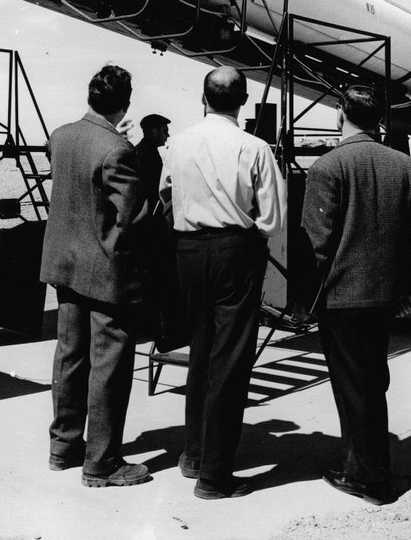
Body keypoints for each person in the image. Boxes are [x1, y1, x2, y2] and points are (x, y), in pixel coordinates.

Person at [159, 66, 286, 499]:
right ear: (244, 100)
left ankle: (194, 453)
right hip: (236, 251)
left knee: (200, 349)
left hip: (189, 253)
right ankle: (214, 476)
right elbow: (271, 218)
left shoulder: (176, 144)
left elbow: (164, 194)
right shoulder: (255, 148)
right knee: (230, 359)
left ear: (202, 99)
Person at [300, 85, 411, 506]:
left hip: (342, 296)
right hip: (385, 295)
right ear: (379, 120)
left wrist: (305, 299)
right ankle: (366, 464)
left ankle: (367, 477)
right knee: (372, 382)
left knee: (353, 387)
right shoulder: (406, 167)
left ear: (340, 114)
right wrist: (407, 288)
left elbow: (315, 242)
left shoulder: (327, 166)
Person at [40, 64, 150, 487]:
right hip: (105, 272)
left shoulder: (61, 136)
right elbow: (134, 215)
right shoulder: (117, 149)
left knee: (70, 355)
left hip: (65, 266)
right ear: (124, 104)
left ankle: (64, 448)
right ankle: (102, 463)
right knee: (109, 363)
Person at [135, 114, 171, 202]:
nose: (168, 135)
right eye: (165, 131)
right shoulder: (150, 154)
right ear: (154, 132)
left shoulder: (139, 149)